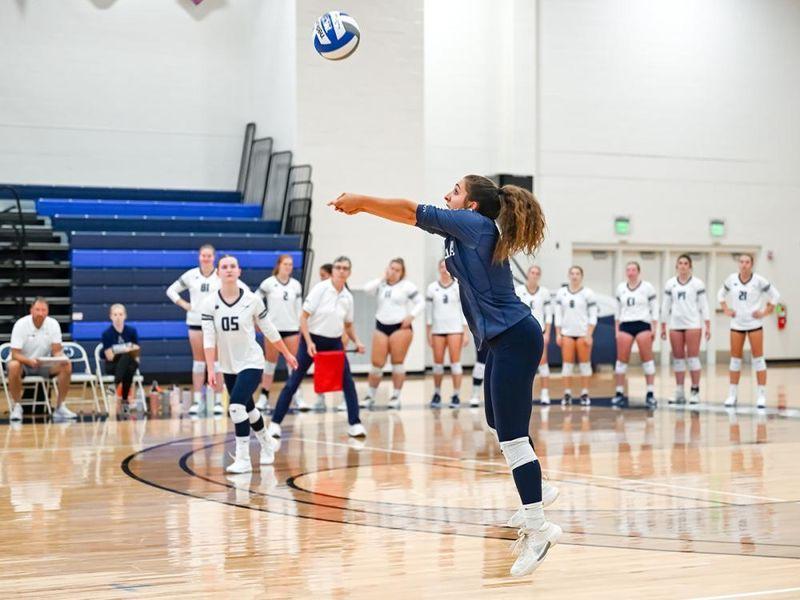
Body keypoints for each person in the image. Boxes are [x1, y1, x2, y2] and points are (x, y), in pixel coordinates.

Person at [329, 174, 561, 577]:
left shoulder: (472, 225)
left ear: (470, 205)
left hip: (516, 338)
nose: (445, 195)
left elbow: (407, 210)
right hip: (503, 339)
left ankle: (540, 528)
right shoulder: (468, 228)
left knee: (511, 438)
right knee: (496, 423)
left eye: (454, 191)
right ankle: (538, 487)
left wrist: (362, 202)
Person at [199, 255, 298, 473]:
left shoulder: (252, 300)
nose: (228, 270)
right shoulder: (209, 303)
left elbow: (269, 329)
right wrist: (211, 367)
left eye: (232, 266)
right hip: (228, 365)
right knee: (249, 409)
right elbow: (208, 338)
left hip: (252, 361)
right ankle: (266, 444)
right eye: (224, 267)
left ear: (239, 271)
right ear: (218, 273)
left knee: (235, 407)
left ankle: (243, 458)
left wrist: (287, 354)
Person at [269, 256, 368, 439]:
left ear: (349, 272)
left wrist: (358, 342)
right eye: (338, 267)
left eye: (345, 268)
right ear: (333, 270)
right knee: (294, 381)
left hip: (334, 343)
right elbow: (303, 317)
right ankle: (275, 424)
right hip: (311, 341)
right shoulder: (320, 289)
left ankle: (355, 424)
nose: (341, 271)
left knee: (348, 382)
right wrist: (309, 342)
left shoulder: (347, 297)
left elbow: (348, 325)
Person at [165, 244, 224, 416]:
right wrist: (185, 305)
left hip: (215, 324)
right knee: (199, 363)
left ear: (214, 257)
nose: (206, 258)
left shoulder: (220, 275)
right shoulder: (191, 275)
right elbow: (171, 290)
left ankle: (218, 401)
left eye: (209, 256)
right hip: (196, 323)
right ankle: (198, 400)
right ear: (199, 257)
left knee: (217, 363)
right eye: (203, 255)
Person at [360, 258, 424, 409]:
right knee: (376, 365)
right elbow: (366, 290)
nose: (394, 272)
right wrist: (383, 277)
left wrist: (411, 316)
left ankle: (395, 396)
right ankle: (370, 396)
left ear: (402, 272)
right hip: (381, 326)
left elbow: (421, 302)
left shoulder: (406, 286)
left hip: (400, 327)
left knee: (397, 364)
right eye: (392, 268)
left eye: (397, 270)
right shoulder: (381, 284)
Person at [717, 253, 780, 408]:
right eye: (741, 262)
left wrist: (765, 312)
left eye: (747, 262)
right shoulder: (732, 279)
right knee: (735, 360)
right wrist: (725, 309)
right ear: (738, 264)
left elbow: (775, 295)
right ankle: (732, 395)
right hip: (737, 324)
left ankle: (761, 396)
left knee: (758, 360)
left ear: (752, 264)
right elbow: (721, 294)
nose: (744, 264)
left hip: (754, 324)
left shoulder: (759, 280)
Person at [7, 297, 74, 421]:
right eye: (37, 309)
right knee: (13, 365)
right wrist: (29, 362)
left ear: (47, 312)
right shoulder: (21, 324)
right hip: (24, 362)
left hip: (43, 363)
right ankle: (17, 406)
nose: (40, 313)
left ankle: (60, 407)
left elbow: (56, 350)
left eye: (43, 310)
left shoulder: (53, 324)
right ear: (31, 310)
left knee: (67, 365)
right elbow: (15, 354)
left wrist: (60, 357)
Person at [254, 254, 306, 413]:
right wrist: (258, 321)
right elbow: (255, 301)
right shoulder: (268, 283)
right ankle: (264, 397)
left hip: (291, 329)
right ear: (279, 265)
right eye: (285, 264)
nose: (288, 267)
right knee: (270, 364)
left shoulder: (296, 285)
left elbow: (299, 308)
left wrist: (301, 328)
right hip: (273, 329)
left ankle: (297, 396)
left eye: (290, 265)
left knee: (293, 364)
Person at [661, 254, 711, 405]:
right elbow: (665, 306)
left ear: (690, 267)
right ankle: (679, 391)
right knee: (678, 359)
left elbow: (704, 305)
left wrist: (707, 325)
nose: (683, 266)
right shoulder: (671, 284)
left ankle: (695, 390)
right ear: (676, 266)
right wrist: (663, 324)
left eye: (685, 263)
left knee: (693, 358)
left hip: (693, 324)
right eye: (680, 263)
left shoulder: (697, 284)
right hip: (675, 325)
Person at [613, 262, 659, 408]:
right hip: (625, 325)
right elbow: (617, 310)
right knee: (621, 361)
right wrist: (617, 329)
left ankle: (650, 393)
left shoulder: (647, 287)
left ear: (639, 271)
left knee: (647, 359)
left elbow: (655, 308)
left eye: (633, 269)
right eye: (628, 270)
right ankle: (619, 393)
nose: (631, 272)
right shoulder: (621, 288)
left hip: (643, 324)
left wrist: (654, 327)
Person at [426, 258, 470, 408]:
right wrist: (428, 331)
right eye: (442, 267)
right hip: (438, 330)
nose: (444, 270)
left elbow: (464, 311)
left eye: (446, 267)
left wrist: (465, 331)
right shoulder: (432, 288)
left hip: (455, 329)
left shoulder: (458, 286)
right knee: (438, 365)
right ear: (439, 269)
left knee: (455, 363)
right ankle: (437, 393)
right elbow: (428, 312)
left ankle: (456, 395)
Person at [554, 266, 597, 406]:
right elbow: (558, 315)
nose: (574, 276)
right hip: (567, 334)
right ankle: (567, 394)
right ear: (568, 275)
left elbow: (593, 316)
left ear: (581, 276)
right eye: (572, 273)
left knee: (585, 365)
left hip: (583, 334)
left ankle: (584, 394)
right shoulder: (561, 293)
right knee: (567, 365)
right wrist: (558, 334)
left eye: (577, 273)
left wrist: (589, 334)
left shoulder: (588, 293)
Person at [515, 265, 553, 405]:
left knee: (543, 363)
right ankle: (520, 394)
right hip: (522, 333)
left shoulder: (544, 292)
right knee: (521, 364)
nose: (534, 275)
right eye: (532, 272)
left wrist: (548, 333)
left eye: (537, 273)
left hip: (540, 332)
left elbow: (548, 315)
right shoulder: (518, 291)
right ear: (527, 274)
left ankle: (544, 394)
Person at [101, 304, 141, 412]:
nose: (118, 317)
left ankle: (114, 385)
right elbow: (109, 356)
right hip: (112, 366)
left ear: (125, 316)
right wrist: (126, 348)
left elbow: (136, 349)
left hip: (128, 365)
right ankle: (124, 401)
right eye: (115, 314)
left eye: (120, 314)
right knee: (127, 358)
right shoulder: (107, 334)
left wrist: (119, 350)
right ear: (111, 316)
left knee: (131, 364)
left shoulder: (131, 331)